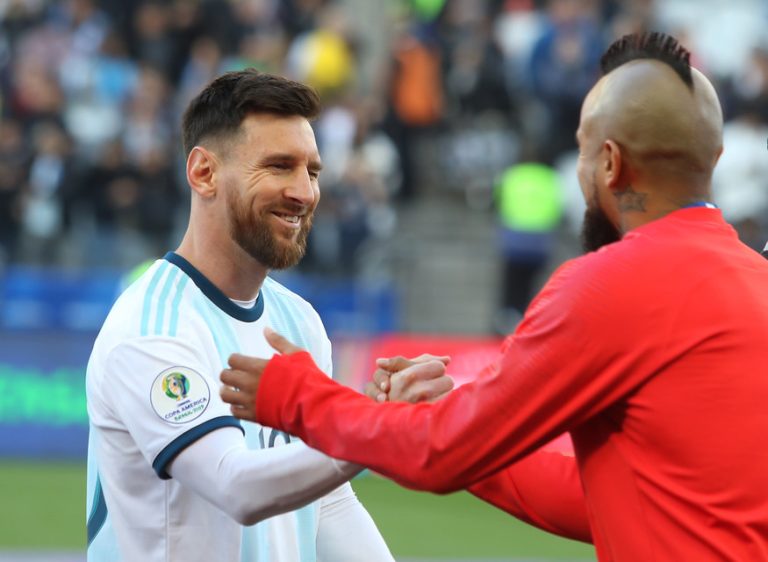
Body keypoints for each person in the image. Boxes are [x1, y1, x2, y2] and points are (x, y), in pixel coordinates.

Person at [219, 32, 768, 561]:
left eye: (580, 152)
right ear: (713, 159)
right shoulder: (753, 280)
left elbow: (439, 454)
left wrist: (297, 396)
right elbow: (607, 500)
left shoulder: (614, 284)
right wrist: (455, 424)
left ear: (608, 162)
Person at [85, 69, 393, 561]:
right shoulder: (152, 330)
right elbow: (236, 486)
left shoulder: (299, 323)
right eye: (278, 166)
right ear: (203, 173)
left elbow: (327, 501)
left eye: (312, 172)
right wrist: (374, 427)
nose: (304, 192)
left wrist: (361, 429)